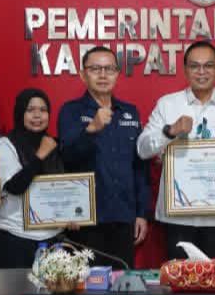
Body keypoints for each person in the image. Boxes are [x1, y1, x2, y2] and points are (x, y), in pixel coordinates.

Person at [138, 41, 215, 260]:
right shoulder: (167, 104)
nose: (201, 72)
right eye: (194, 66)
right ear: (185, 70)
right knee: (180, 278)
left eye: (208, 66)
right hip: (179, 216)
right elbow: (142, 149)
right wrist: (170, 131)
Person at [58, 46, 150, 268]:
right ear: (83, 74)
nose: (102, 75)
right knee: (86, 285)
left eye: (109, 69)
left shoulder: (129, 112)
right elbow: (65, 158)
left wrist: (141, 213)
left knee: (122, 283)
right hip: (85, 218)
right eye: (95, 69)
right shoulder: (70, 111)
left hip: (123, 216)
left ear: (117, 74)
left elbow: (139, 166)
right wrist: (91, 129)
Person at [0, 89, 67, 269]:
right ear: (20, 113)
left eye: (43, 110)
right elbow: (15, 186)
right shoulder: (5, 144)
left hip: (52, 238)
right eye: (30, 110)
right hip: (14, 237)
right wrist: (40, 155)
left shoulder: (55, 144)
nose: (37, 115)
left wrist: (71, 216)